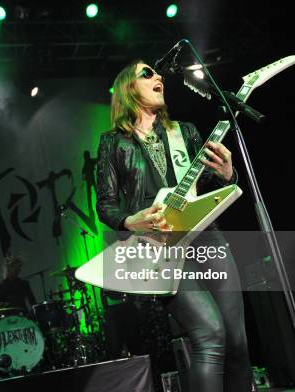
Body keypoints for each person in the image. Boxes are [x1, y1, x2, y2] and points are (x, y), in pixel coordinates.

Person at [96, 59, 254, 391]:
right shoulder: (113, 142)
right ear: (128, 89)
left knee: (237, 343)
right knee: (210, 335)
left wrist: (228, 175)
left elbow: (210, 190)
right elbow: (105, 203)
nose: (158, 77)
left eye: (158, 73)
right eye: (147, 74)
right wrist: (129, 220)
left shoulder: (186, 132)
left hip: (206, 238)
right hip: (160, 248)